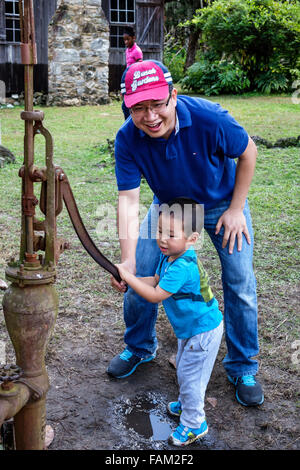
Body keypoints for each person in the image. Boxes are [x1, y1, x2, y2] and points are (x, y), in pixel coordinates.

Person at [109, 59, 264, 408]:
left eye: (157, 105)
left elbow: (248, 152)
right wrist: (128, 257)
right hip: (168, 207)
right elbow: (128, 201)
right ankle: (139, 348)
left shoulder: (211, 118)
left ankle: (242, 366)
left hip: (222, 202)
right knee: (138, 276)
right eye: (139, 108)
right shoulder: (127, 139)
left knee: (239, 281)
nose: (150, 117)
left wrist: (237, 208)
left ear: (173, 96)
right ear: (128, 108)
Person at [116, 198, 223, 446]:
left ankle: (195, 424)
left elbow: (155, 295)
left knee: (191, 377)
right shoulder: (170, 255)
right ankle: (186, 405)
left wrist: (129, 279)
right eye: (160, 231)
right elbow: (153, 280)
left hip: (203, 330)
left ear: (192, 239)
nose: (162, 239)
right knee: (186, 370)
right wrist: (129, 279)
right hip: (191, 328)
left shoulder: (183, 266)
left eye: (171, 234)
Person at [121, 27, 143, 120]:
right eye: (124, 40)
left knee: (128, 106)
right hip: (127, 81)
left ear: (133, 38)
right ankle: (128, 124)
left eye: (128, 39)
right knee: (125, 106)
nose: (126, 42)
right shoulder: (127, 50)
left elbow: (140, 68)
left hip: (135, 83)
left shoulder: (137, 51)